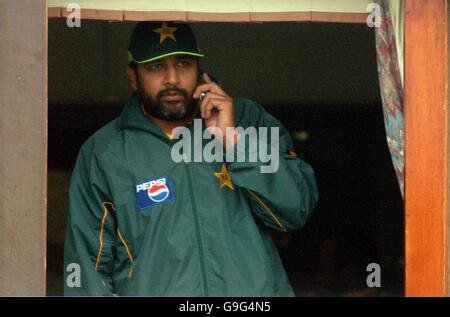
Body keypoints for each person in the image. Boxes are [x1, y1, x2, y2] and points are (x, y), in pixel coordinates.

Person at [63, 21, 318, 296]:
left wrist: (234, 142)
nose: (172, 79)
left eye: (183, 64)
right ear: (134, 76)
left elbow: (296, 209)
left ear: (200, 71)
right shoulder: (104, 152)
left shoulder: (249, 121)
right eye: (156, 66)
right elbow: (88, 268)